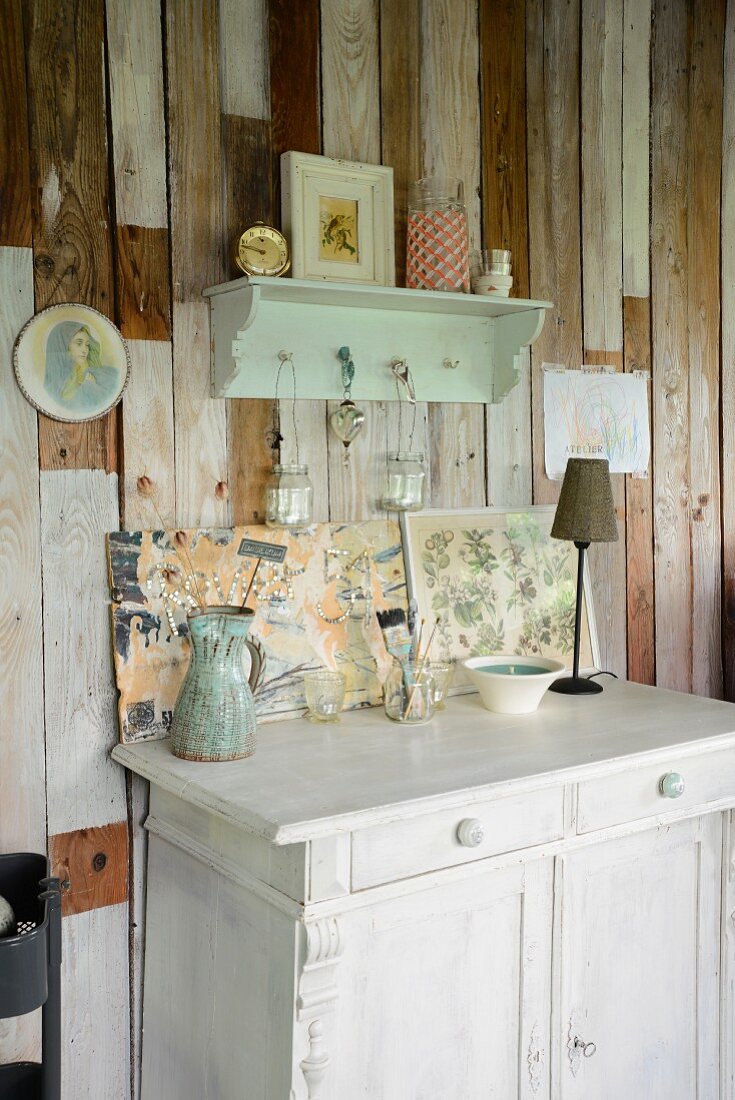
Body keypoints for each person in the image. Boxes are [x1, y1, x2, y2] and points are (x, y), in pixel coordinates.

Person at [44, 320, 119, 414]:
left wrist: (91, 387)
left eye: (87, 345)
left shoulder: (105, 374)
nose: (85, 350)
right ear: (64, 345)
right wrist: (88, 386)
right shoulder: (52, 385)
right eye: (79, 343)